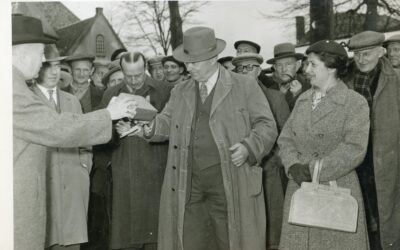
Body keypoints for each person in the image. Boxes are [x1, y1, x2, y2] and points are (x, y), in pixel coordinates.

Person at [143, 26, 277, 250]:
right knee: (190, 241)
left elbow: (267, 125)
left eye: (195, 62)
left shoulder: (244, 85)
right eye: (187, 62)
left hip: (230, 181)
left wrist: (248, 147)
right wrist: (148, 127)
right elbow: (166, 122)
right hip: (189, 184)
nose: (189, 67)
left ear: (213, 58)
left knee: (231, 241)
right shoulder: (180, 90)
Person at [12, 14, 136, 250]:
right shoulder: (13, 90)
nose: (42, 62)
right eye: (41, 54)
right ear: (23, 52)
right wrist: (109, 114)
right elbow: (56, 127)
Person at [278, 40, 370, 250]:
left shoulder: (354, 103)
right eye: (306, 65)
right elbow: (285, 139)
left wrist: (315, 169)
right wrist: (292, 164)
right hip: (300, 188)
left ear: (332, 68)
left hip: (337, 190)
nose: (306, 70)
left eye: (312, 65)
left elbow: (355, 148)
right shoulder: (302, 100)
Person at [98, 51, 172, 250]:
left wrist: (148, 129)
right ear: (121, 71)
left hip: (155, 171)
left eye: (138, 75)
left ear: (145, 69)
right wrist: (114, 130)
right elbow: (100, 136)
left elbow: (175, 131)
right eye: (128, 75)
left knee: (156, 234)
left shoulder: (165, 90)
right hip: (125, 174)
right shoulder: (110, 94)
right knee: (126, 235)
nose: (133, 80)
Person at [31, 44, 92, 250]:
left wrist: (83, 169)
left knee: (72, 243)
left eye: (57, 65)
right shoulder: (27, 100)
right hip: (43, 190)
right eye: (47, 66)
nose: (54, 71)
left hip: (73, 190)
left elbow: (85, 142)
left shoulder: (72, 101)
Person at [346, 30, 400, 250]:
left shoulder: (395, 81)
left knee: (386, 214)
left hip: (387, 161)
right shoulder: (344, 80)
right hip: (354, 160)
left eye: (366, 53)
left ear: (381, 52)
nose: (361, 59)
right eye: (357, 54)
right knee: (358, 215)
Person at [232, 52, 290, 250]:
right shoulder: (231, 99)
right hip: (239, 167)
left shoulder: (275, 97)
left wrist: (270, 159)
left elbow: (285, 134)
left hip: (267, 170)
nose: (245, 71)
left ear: (258, 70)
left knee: (271, 226)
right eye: (241, 68)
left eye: (250, 67)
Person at [263, 43, 310, 110]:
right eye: (279, 65)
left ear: (297, 66)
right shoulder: (269, 92)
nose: (284, 69)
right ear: (275, 68)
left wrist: (298, 96)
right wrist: (279, 97)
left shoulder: (309, 88)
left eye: (288, 64)